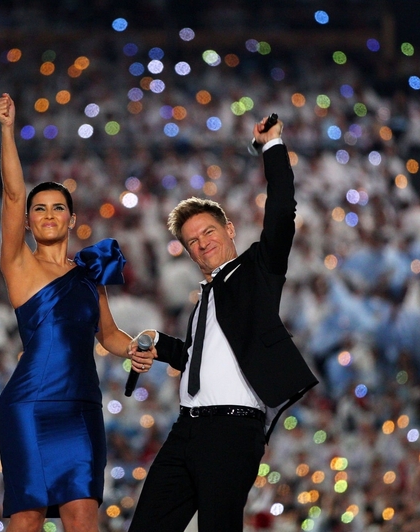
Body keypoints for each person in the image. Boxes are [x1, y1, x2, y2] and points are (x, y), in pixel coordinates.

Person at [127, 117, 319, 531]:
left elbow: (283, 210)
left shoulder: (258, 272)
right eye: (192, 240)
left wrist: (271, 147)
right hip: (186, 428)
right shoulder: (203, 301)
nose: (202, 242)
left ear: (229, 230)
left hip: (233, 429)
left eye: (208, 231)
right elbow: (198, 355)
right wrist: (160, 343)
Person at [0, 93, 154, 532]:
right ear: (27, 222)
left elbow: (109, 335)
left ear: (71, 218)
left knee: (83, 517)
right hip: (30, 403)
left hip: (81, 406)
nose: (47, 215)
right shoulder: (19, 264)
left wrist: (136, 347)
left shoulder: (88, 274)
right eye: (38, 209)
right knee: (26, 519)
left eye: (56, 208)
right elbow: (11, 193)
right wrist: (7, 130)